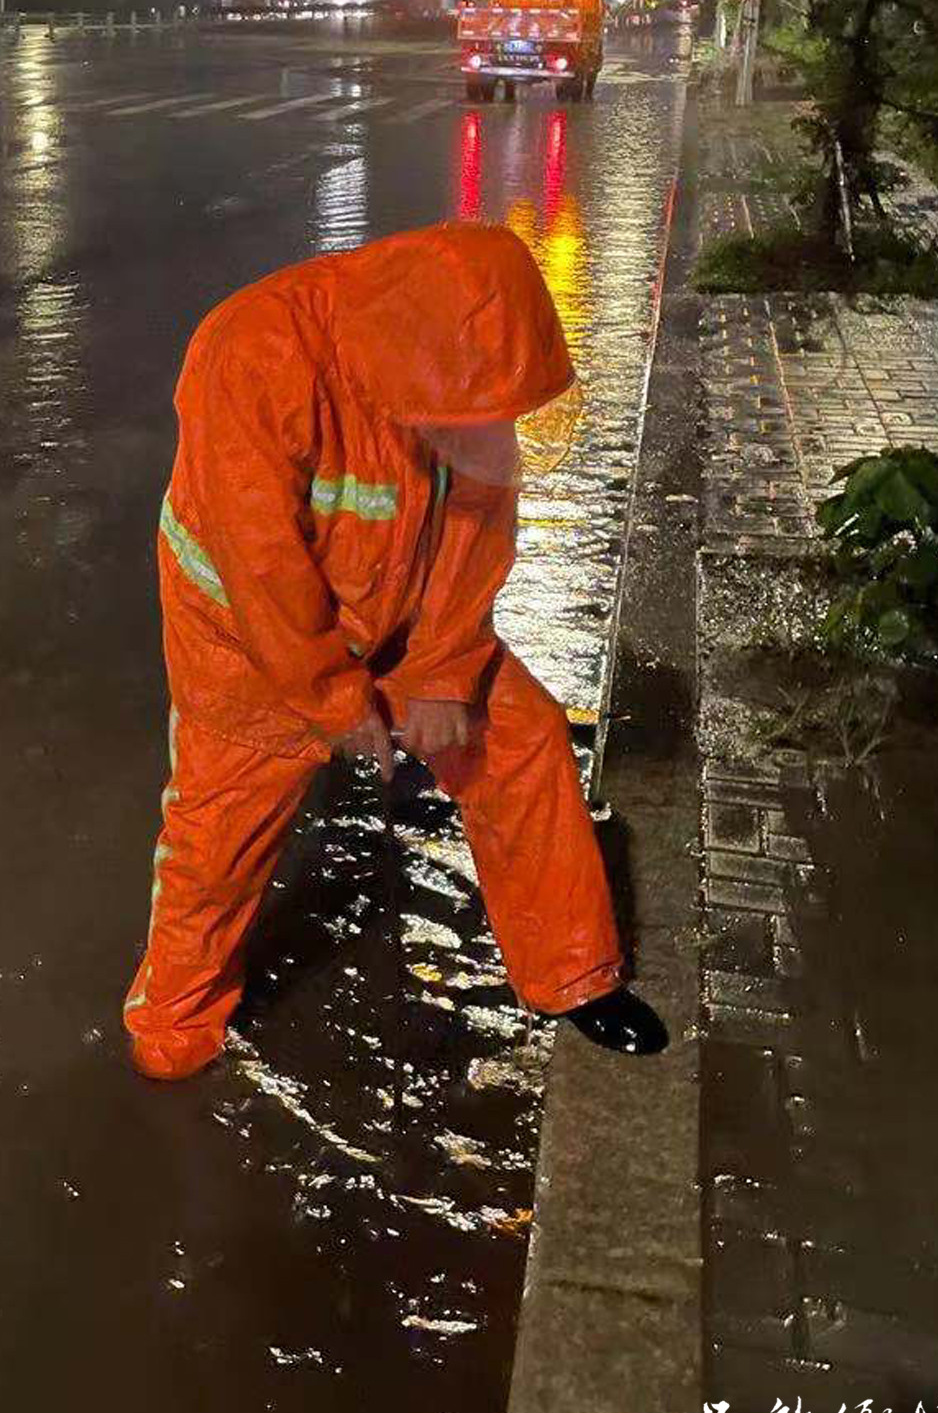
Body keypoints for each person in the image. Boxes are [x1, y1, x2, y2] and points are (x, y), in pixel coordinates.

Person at [123, 220, 667, 1082]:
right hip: (250, 650)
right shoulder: (253, 352)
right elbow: (261, 563)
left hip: (406, 612)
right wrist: (339, 704)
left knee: (521, 743)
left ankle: (574, 975)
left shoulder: (454, 362)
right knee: (219, 835)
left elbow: (477, 521)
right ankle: (175, 1017)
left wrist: (444, 674)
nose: (488, 431)